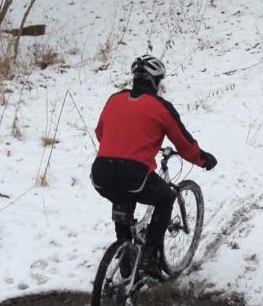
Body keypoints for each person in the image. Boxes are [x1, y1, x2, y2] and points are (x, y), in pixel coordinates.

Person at [91, 54, 217, 279]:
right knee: (166, 198)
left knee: (123, 201)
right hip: (133, 174)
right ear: (155, 81)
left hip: (101, 173)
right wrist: (204, 159)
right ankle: (150, 255)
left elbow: (101, 133)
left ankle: (125, 255)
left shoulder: (113, 100)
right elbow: (184, 144)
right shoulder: (160, 107)